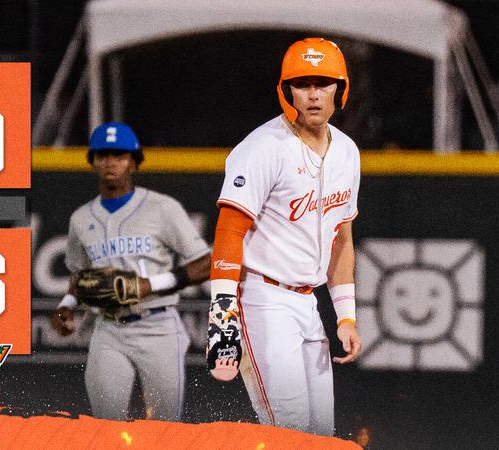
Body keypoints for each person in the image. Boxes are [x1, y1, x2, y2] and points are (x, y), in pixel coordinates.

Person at [205, 37, 362, 435]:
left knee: (321, 434)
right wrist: (223, 315)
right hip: (263, 299)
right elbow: (229, 230)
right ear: (286, 89)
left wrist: (346, 316)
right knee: (288, 432)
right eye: (302, 83)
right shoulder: (262, 147)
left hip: (309, 303)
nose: (313, 94)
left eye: (323, 83)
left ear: (340, 89)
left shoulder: (347, 151)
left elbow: (342, 238)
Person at [50, 122, 210, 421]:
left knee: (164, 427)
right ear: (93, 161)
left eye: (120, 156)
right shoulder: (81, 218)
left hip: (158, 326)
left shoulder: (163, 208)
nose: (111, 162)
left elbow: (206, 263)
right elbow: (80, 275)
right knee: (105, 423)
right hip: (109, 329)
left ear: (134, 162)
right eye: (103, 155)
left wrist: (150, 284)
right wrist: (67, 305)